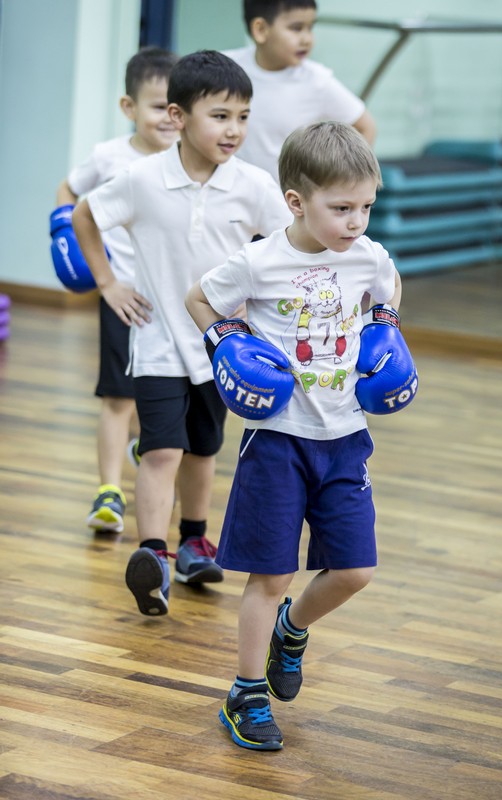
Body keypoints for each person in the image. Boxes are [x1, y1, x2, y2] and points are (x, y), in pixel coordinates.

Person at [185, 121, 406, 751]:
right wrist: (224, 340)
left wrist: (386, 326)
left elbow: (388, 286)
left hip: (345, 436)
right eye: (342, 208)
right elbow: (199, 299)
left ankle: (293, 630)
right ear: (296, 202)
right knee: (270, 574)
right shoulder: (260, 260)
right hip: (277, 439)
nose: (357, 221)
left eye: (366, 205)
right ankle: (245, 693)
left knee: (355, 570)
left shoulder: (369, 255)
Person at [72, 50, 292, 614]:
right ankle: (153, 555)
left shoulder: (254, 186)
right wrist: (108, 283)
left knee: (202, 450)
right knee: (161, 451)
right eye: (220, 116)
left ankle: (195, 540)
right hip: (158, 344)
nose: (234, 129)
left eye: (243, 116)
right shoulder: (142, 179)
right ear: (179, 115)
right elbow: (84, 216)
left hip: (221, 349)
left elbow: (286, 248)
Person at [53, 47, 179, 534]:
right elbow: (68, 188)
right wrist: (63, 231)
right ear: (129, 107)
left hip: (174, 302)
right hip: (122, 297)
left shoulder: (188, 160)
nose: (168, 119)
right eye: (156, 106)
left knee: (160, 397)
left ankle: (146, 452)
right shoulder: (109, 157)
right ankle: (108, 490)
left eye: (176, 108)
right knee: (117, 398)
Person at [224, 0, 377, 181]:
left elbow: (366, 127)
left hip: (286, 203)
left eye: (310, 28)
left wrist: (333, 179)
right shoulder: (226, 67)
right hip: (233, 198)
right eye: (296, 28)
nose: (307, 39)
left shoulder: (317, 80)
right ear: (260, 30)